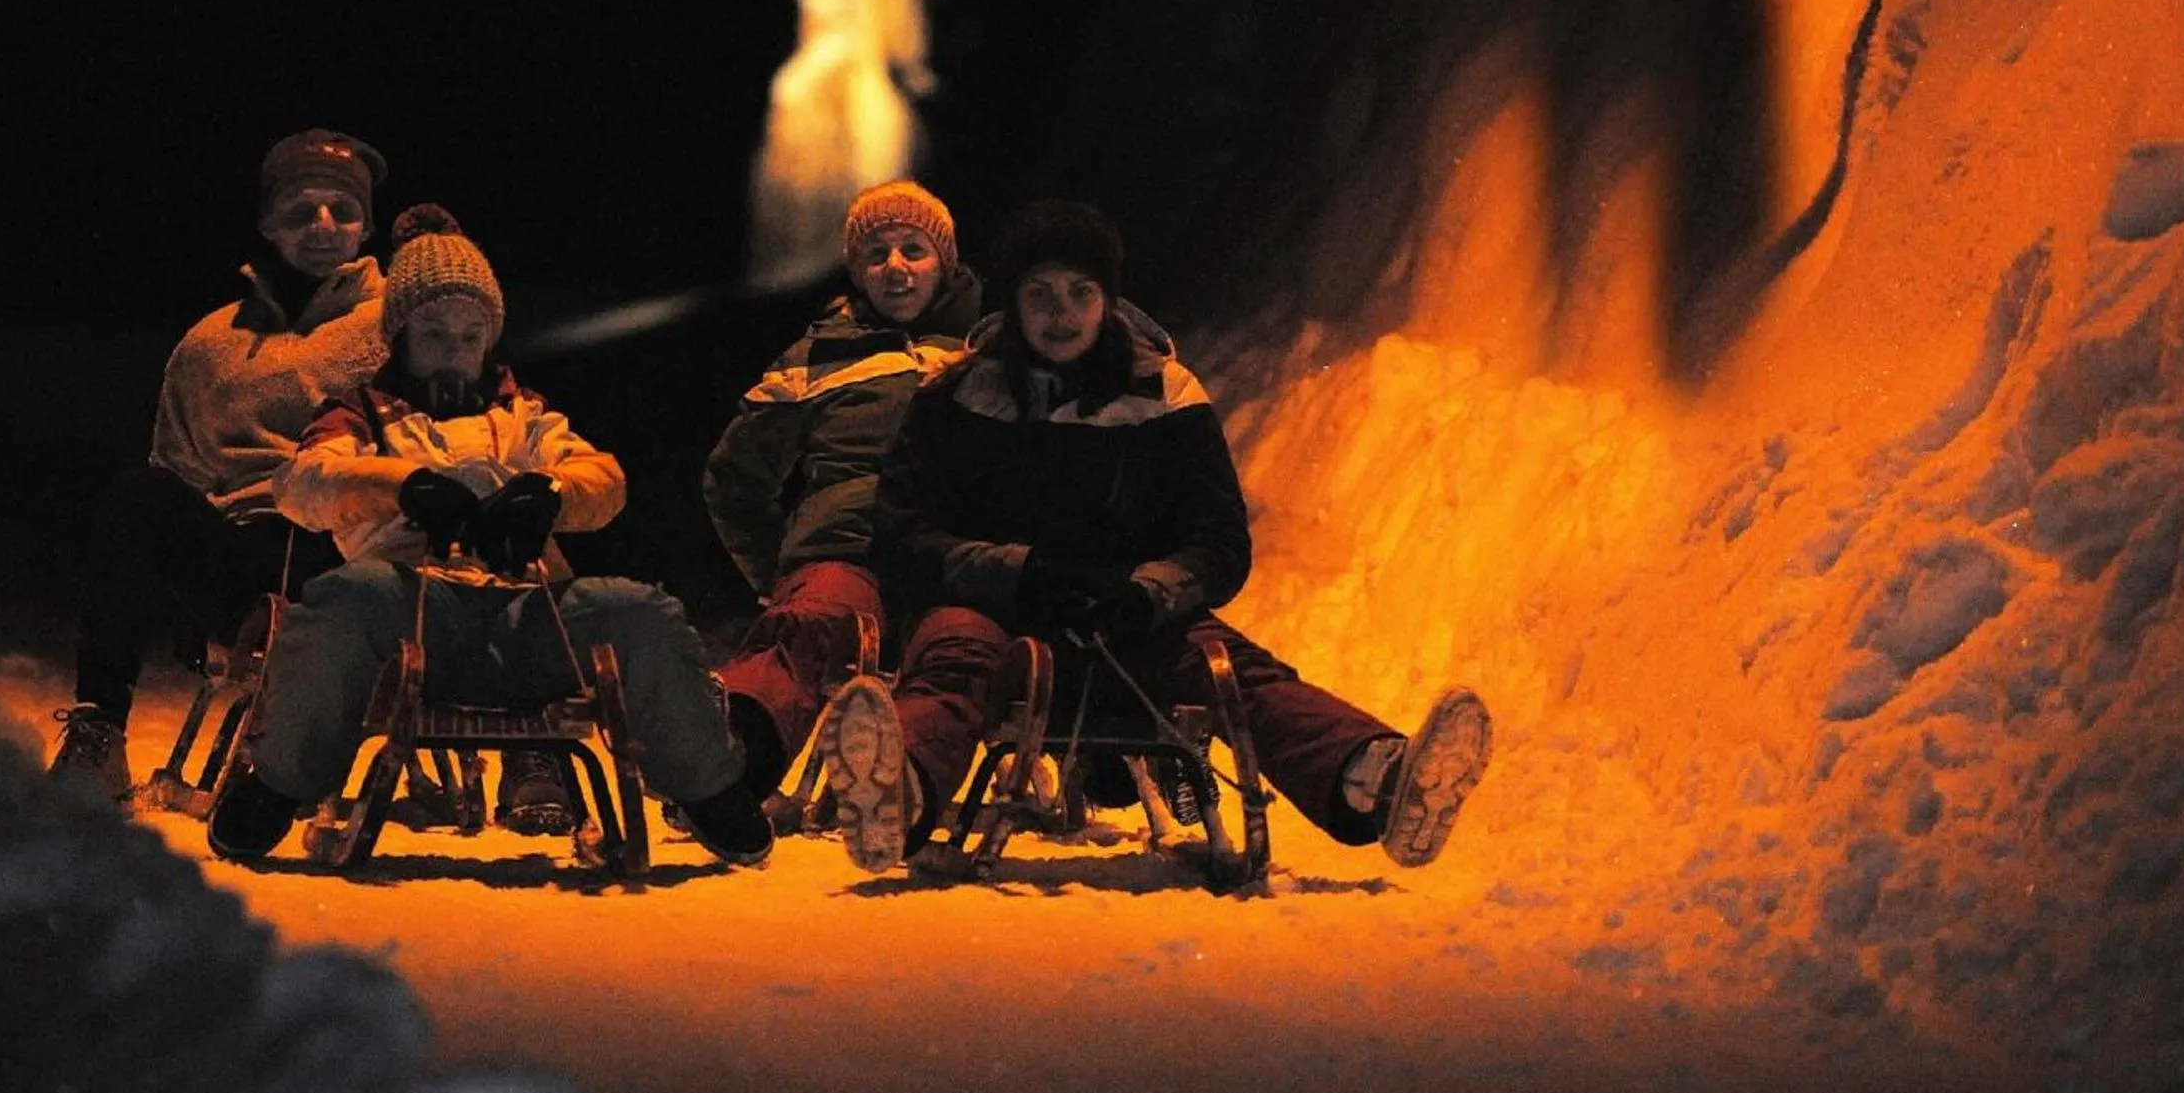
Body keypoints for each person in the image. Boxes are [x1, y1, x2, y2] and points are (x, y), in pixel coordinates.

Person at [855, 198, 1494, 870]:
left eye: (1081, 292)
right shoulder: (955, 397)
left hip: (1128, 626)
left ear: (1108, 299)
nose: (1060, 312)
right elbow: (899, 535)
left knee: (1232, 671)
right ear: (1012, 303)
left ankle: (1378, 780)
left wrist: (1146, 593)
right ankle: (895, 793)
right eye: (1039, 293)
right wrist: (1015, 572)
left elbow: (1218, 540)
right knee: (952, 655)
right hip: (995, 620)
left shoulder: (1165, 395)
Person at [205, 205, 774, 869]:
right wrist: (401, 484)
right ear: (402, 337)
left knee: (639, 610)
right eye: (436, 333)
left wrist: (549, 496)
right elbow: (302, 484)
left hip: (525, 616)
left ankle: (708, 784)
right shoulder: (361, 413)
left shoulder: (523, 415)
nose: (455, 350)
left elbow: (604, 478)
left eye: (470, 336)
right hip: (412, 621)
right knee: (343, 596)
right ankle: (281, 781)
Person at [48, 129, 391, 798]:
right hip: (243, 558)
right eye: (300, 209)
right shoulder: (209, 345)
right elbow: (176, 466)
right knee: (139, 494)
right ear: (268, 222)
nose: (323, 225)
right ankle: (99, 733)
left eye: (342, 210)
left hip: (358, 555)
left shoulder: (402, 326)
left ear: (365, 226)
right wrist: (184, 606)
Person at [702, 180, 1003, 862]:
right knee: (809, 618)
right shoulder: (820, 356)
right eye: (876, 254)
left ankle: (903, 790)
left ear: (946, 263)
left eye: (913, 249)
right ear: (856, 270)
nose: (895, 266)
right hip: (847, 549)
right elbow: (733, 479)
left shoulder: (990, 351)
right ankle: (727, 768)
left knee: (961, 647)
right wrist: (778, 569)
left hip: (952, 560)